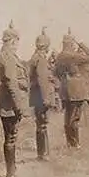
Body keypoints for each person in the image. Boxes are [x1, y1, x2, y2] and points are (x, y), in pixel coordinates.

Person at [0, 20, 30, 177]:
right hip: (9, 104)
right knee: (10, 137)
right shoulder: (8, 56)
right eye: (16, 41)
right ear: (12, 41)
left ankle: (12, 171)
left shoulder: (10, 55)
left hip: (10, 103)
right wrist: (20, 107)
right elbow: (11, 83)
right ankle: (10, 174)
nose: (17, 44)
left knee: (11, 136)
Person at [28, 27, 55, 161]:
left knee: (41, 124)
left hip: (37, 96)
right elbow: (42, 80)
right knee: (42, 124)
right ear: (45, 47)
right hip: (41, 96)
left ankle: (43, 153)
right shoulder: (41, 59)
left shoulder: (35, 57)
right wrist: (46, 99)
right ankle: (43, 154)